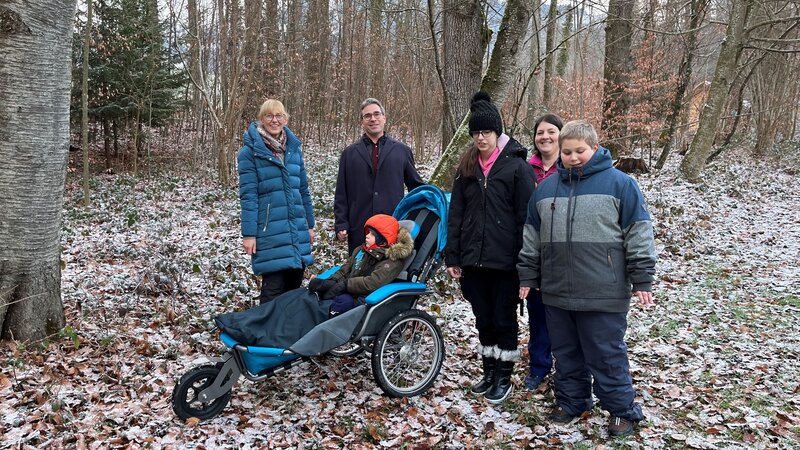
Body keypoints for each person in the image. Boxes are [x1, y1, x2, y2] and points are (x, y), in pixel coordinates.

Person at [517, 120, 656, 437]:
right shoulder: (545, 190)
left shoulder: (621, 185)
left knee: (606, 354)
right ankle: (573, 402)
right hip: (556, 291)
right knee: (565, 353)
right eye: (567, 152)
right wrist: (528, 274)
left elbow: (639, 234)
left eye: (580, 150)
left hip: (602, 291)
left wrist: (642, 278)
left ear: (595, 148)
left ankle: (622, 411)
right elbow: (531, 237)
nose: (573, 157)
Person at [445, 91, 535, 404]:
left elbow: (526, 218)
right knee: (483, 319)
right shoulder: (466, 167)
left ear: (497, 132)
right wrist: (452, 256)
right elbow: (455, 213)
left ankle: (503, 376)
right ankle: (488, 371)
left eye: (486, 132)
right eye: (476, 133)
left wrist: (526, 268)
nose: (481, 138)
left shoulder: (517, 168)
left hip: (506, 262)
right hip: (473, 260)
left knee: (503, 319)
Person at [238, 99, 315, 304]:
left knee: (294, 284)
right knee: (273, 287)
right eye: (269, 116)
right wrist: (249, 234)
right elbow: (249, 196)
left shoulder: (294, 151)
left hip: (296, 227)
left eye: (279, 115)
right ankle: (266, 334)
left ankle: (287, 332)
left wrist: (310, 225)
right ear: (261, 120)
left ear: (285, 119)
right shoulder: (249, 153)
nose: (274, 120)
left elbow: (303, 190)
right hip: (269, 230)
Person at [334, 98, 425, 253]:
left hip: (392, 227)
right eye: (367, 116)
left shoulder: (402, 151)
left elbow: (416, 188)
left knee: (389, 274)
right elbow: (342, 192)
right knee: (359, 274)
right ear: (362, 121)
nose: (373, 119)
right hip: (360, 228)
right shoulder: (349, 154)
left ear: (384, 117)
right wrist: (341, 223)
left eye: (377, 114)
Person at [523, 113, 564, 391]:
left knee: (564, 316)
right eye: (540, 133)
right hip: (534, 250)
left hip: (564, 252)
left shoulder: (572, 165)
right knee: (537, 314)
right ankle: (538, 367)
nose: (545, 137)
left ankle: (568, 369)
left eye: (551, 131)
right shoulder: (526, 169)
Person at [309, 214, 413, 314]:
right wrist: (332, 281)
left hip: (364, 298)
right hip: (350, 290)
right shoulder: (361, 250)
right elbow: (345, 269)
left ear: (383, 239)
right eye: (368, 232)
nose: (367, 236)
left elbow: (373, 283)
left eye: (372, 234)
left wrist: (346, 285)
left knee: (341, 303)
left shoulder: (392, 261)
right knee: (318, 293)